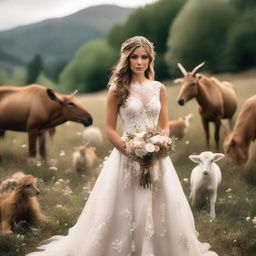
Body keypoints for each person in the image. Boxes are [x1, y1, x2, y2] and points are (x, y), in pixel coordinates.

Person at [26, 36, 218, 256]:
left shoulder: (159, 88)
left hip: (157, 159)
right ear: (126, 59)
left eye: (144, 57)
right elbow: (109, 129)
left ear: (150, 59)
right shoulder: (117, 89)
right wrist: (132, 152)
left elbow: (164, 125)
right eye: (134, 57)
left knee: (161, 207)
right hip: (126, 156)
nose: (139, 62)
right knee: (123, 207)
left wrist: (159, 147)